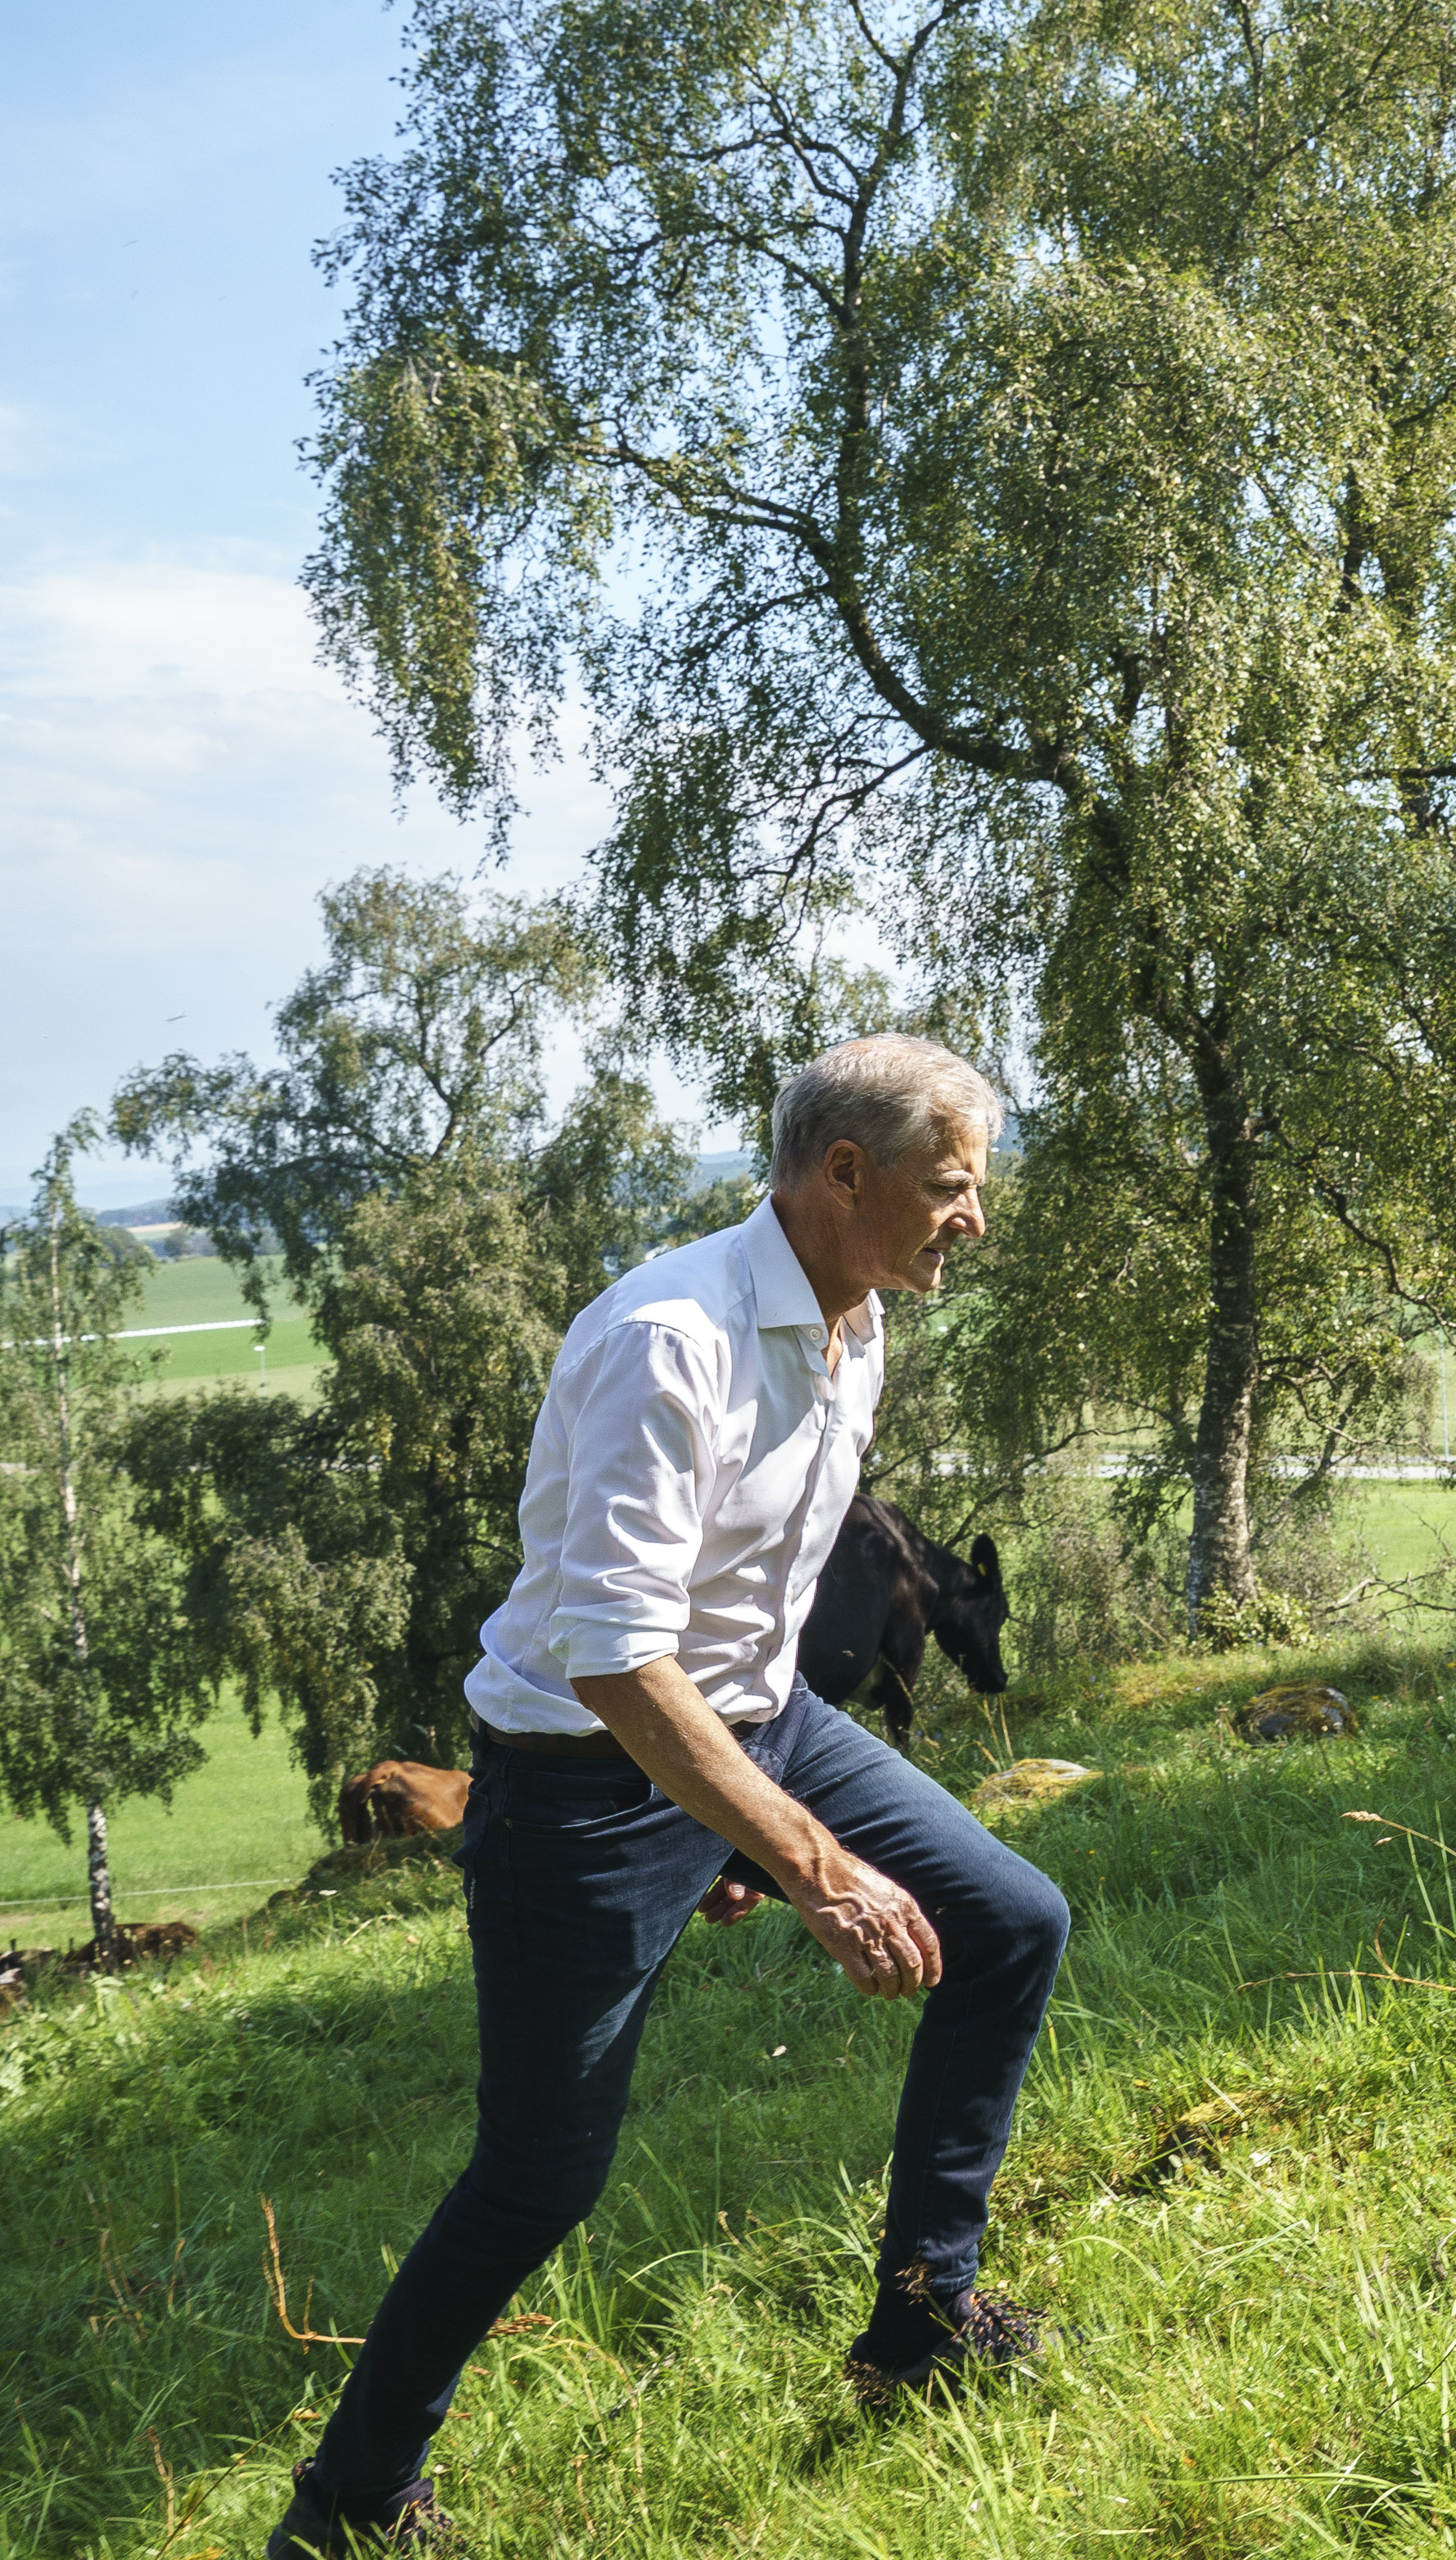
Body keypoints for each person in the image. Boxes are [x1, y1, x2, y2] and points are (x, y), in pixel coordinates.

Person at [269, 1037, 1070, 2557]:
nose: (973, 1218)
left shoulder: (857, 1318)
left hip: (761, 1726)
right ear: (846, 1173)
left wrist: (755, 1808)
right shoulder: (669, 1337)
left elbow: (736, 1621)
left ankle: (922, 2314)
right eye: (952, 1188)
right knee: (539, 2177)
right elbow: (619, 1662)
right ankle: (347, 2504)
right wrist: (805, 1864)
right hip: (581, 1782)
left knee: (1011, 1920)